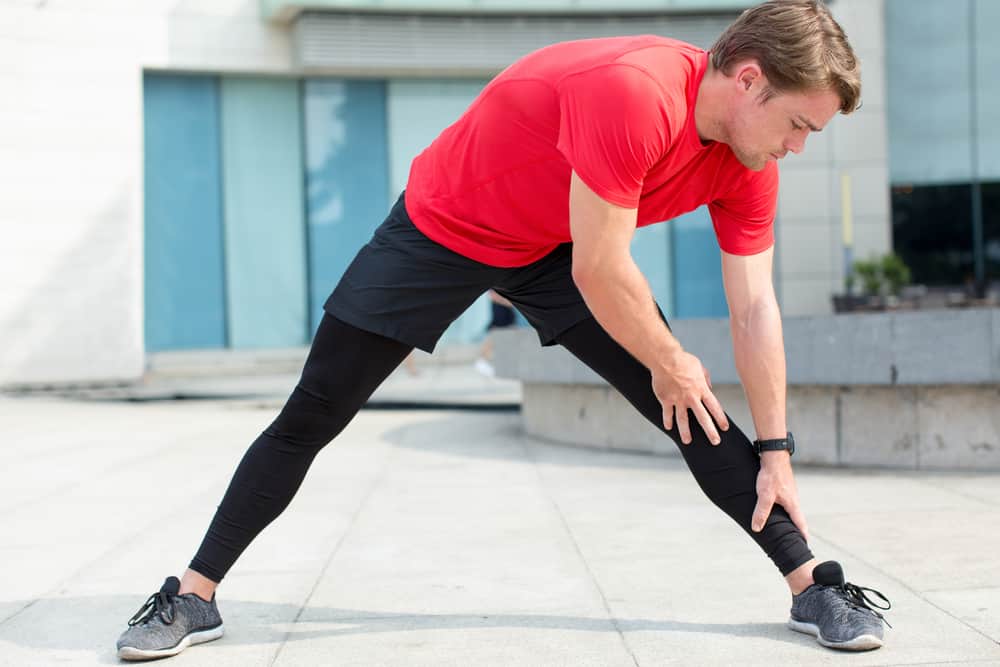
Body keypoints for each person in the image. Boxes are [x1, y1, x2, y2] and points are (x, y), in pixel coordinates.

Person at [116, 1, 892, 660]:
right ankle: (192, 595)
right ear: (750, 78)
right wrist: (671, 357)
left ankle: (810, 584)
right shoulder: (636, 93)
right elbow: (602, 267)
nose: (796, 146)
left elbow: (754, 307)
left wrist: (777, 446)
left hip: (555, 242)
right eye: (798, 124)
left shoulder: (749, 163)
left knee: (691, 407)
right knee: (312, 413)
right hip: (445, 224)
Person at [474, 289, 517, 377]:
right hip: (500, 310)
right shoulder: (495, 283)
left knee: (507, 335)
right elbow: (493, 296)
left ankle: (491, 362)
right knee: (494, 335)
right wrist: (509, 302)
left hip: (507, 311)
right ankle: (482, 361)